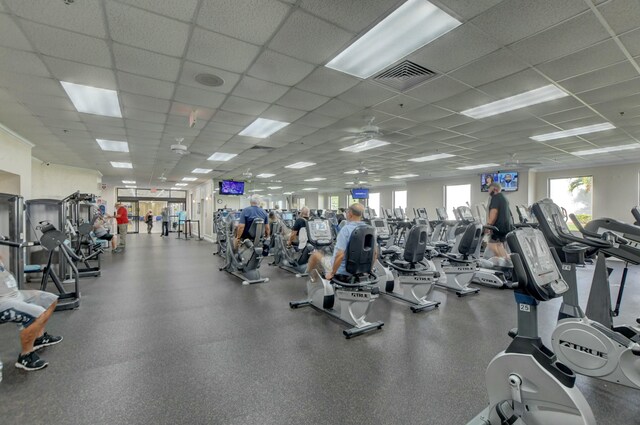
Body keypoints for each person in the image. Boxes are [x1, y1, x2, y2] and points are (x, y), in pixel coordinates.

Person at [0, 256, 63, 371]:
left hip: (16, 295)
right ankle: (25, 356)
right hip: (3, 301)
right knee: (37, 314)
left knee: (50, 300)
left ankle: (39, 338)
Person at [307, 203, 368, 281]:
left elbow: (340, 255)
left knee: (315, 255)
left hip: (342, 270)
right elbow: (375, 253)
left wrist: (332, 273)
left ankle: (312, 280)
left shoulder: (346, 230)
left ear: (350, 214)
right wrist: (367, 269)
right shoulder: (368, 229)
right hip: (360, 269)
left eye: (347, 212)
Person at [486, 182, 514, 260]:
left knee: (492, 245)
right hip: (506, 227)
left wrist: (488, 226)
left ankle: (506, 261)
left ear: (495, 189)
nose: (488, 191)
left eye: (489, 189)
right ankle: (505, 261)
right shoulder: (504, 198)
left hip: (498, 227)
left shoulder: (496, 197)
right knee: (499, 245)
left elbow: (494, 212)